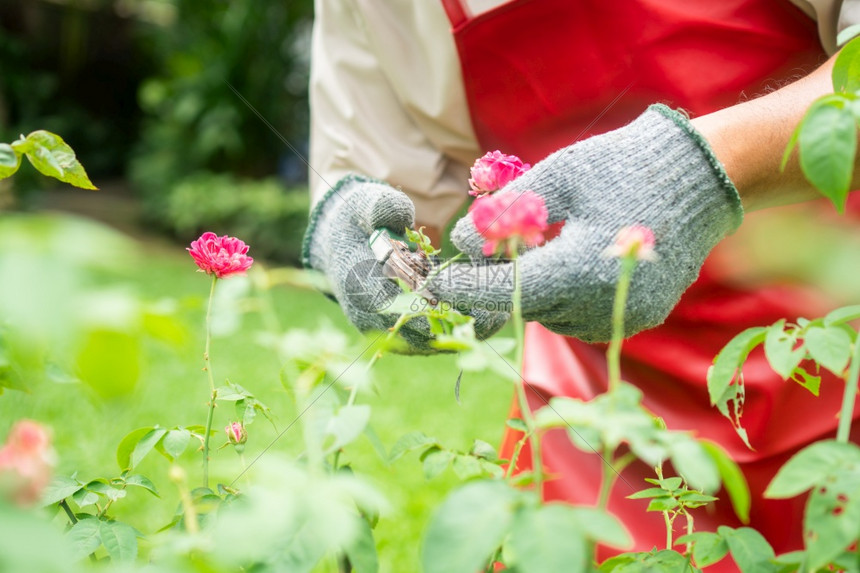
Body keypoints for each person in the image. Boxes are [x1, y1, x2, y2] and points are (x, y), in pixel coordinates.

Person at [303, 0, 860, 565]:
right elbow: (373, 170)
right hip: (594, 404)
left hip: (840, 358)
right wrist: (353, 231)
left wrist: (688, 175)